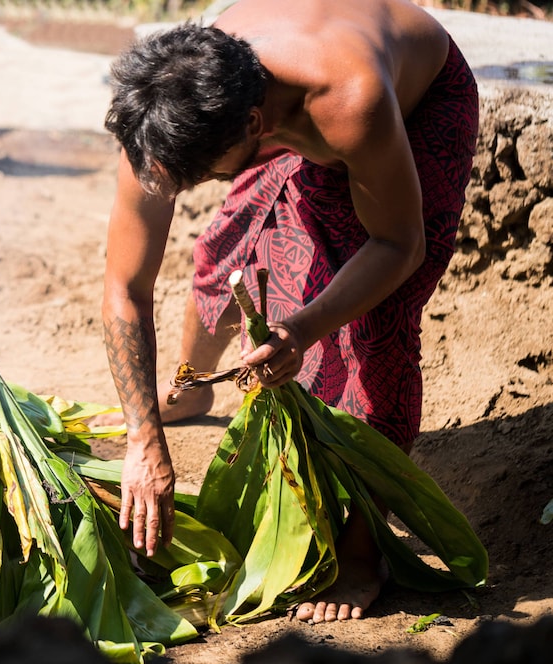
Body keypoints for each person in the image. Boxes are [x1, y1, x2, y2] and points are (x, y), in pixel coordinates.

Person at [100, 0, 478, 623]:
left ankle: (362, 555)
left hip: (416, 104)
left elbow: (399, 245)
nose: (180, 189)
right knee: (228, 247)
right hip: (286, 102)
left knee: (372, 331)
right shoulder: (167, 107)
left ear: (255, 128)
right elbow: (125, 286)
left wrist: (301, 329)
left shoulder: (347, 100)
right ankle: (193, 388)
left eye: (198, 177)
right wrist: (145, 438)